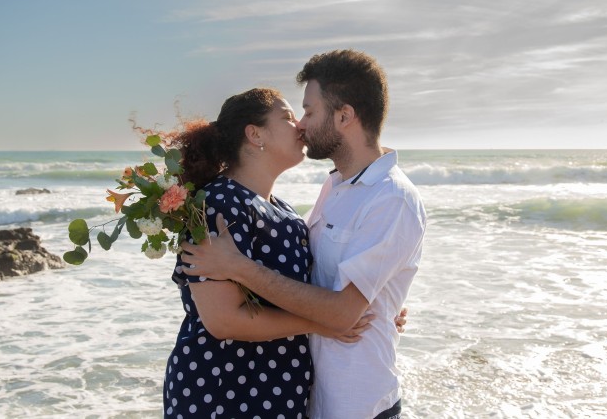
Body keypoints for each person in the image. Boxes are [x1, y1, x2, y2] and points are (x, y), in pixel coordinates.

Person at [182, 49, 427, 418]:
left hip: (355, 401)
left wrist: (378, 304)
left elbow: (344, 311)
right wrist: (372, 304)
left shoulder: (392, 198)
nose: (302, 124)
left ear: (344, 116)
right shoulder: (336, 188)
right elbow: (320, 281)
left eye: (309, 112)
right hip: (280, 397)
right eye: (295, 115)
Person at [161, 88, 374, 419]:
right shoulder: (217, 203)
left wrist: (367, 301)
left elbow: (305, 285)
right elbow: (223, 320)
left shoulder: (284, 211)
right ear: (254, 133)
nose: (301, 126)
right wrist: (326, 323)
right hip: (224, 390)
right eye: (288, 117)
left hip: (275, 389)